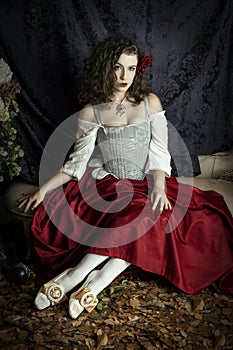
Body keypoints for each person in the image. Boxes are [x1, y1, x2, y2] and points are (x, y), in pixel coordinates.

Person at [19, 37, 233, 319]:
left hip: (148, 182)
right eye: (118, 68)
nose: (124, 77)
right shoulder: (92, 111)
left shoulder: (150, 103)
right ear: (105, 69)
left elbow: (159, 153)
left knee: (152, 211)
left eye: (131, 69)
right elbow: (77, 162)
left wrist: (158, 187)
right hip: (110, 185)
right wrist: (43, 190)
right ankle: (83, 280)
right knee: (139, 213)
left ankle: (86, 280)